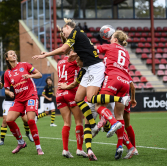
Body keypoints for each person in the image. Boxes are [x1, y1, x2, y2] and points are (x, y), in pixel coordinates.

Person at [33, 18, 129, 161]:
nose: (63, 35)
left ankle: (119, 106)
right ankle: (93, 123)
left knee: (90, 99)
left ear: (67, 27)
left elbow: (64, 49)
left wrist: (46, 54)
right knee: (78, 98)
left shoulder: (76, 32)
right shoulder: (76, 36)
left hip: (96, 67)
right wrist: (74, 55)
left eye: (63, 32)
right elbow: (74, 51)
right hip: (87, 69)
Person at [92, 30, 137, 159]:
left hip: (113, 78)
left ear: (116, 39)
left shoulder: (111, 46)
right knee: (119, 115)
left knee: (99, 106)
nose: (110, 39)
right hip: (125, 83)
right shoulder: (126, 53)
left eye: (111, 38)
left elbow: (94, 49)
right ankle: (121, 147)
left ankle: (111, 122)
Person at [4, 50, 44, 155]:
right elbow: (6, 89)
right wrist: (9, 93)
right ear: (7, 58)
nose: (14, 54)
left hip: (31, 95)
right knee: (9, 120)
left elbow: (39, 75)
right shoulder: (7, 73)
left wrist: (30, 76)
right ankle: (21, 142)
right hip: (18, 99)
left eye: (14, 53)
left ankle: (38, 147)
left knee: (30, 120)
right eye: (11, 54)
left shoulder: (25, 65)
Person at [56, 51, 87, 158]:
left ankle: (65, 150)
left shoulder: (59, 62)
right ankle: (79, 149)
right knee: (79, 121)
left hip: (59, 93)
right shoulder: (74, 60)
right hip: (71, 91)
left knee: (66, 123)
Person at [0, 73, 34, 145]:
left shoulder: (19, 72)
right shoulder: (5, 74)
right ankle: (2, 140)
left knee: (26, 120)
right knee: (5, 120)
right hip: (8, 101)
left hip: (19, 100)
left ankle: (27, 133)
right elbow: (1, 87)